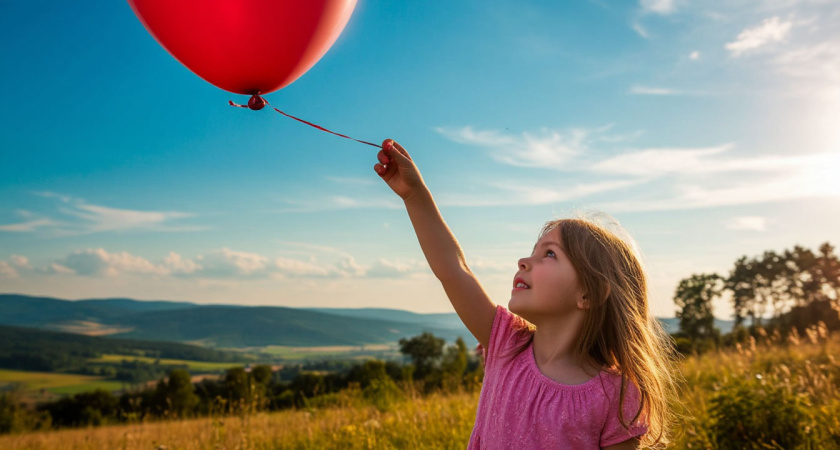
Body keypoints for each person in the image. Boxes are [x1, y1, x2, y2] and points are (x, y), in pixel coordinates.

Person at [374, 139, 678, 449]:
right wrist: (414, 195)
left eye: (549, 254)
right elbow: (453, 269)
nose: (524, 261)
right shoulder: (507, 343)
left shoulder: (618, 397)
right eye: (533, 251)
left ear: (589, 294)